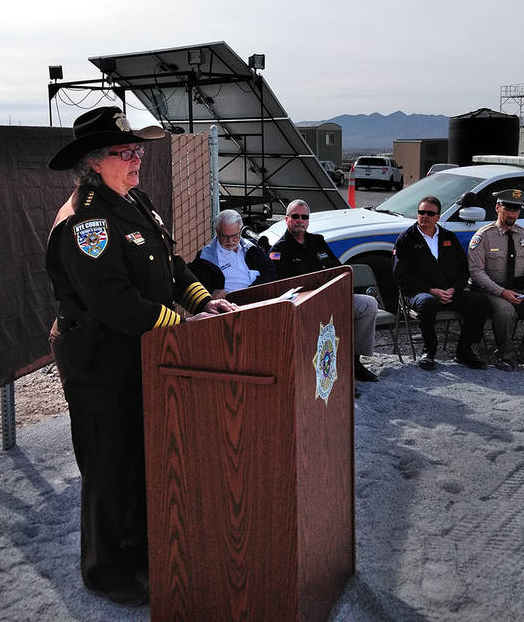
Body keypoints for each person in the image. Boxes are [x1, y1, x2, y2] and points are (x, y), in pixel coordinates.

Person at [45, 106, 237, 607]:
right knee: (109, 464)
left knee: (139, 455)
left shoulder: (135, 201)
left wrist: (201, 300)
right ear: (94, 161)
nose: (136, 160)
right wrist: (182, 327)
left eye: (137, 151)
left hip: (140, 351)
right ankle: (106, 572)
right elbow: (113, 302)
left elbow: (170, 264)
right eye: (125, 152)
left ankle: (140, 553)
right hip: (100, 361)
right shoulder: (86, 220)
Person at [268, 199, 379, 383]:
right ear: (286, 219)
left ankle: (354, 362)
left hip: (332, 296)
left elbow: (338, 269)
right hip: (305, 305)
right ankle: (332, 373)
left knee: (368, 304)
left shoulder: (317, 241)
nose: (300, 220)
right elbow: (279, 287)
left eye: (304, 217)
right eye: (295, 216)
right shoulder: (279, 250)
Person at [392, 195, 490, 370]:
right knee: (428, 302)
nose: (425, 216)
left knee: (480, 301)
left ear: (438, 217)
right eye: (421, 212)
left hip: (448, 292)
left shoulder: (449, 237)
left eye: (430, 213)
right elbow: (401, 276)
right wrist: (431, 290)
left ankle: (464, 351)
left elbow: (463, 270)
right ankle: (429, 351)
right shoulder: (406, 239)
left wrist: (454, 289)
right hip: (418, 293)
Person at [467, 188, 524, 370]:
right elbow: (476, 272)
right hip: (492, 291)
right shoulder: (483, 236)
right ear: (498, 208)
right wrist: (502, 292)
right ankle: (504, 354)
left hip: (521, 290)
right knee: (505, 312)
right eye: (508, 209)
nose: (512, 214)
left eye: (516, 210)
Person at [189, 209, 277, 296]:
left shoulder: (251, 247)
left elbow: (271, 271)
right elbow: (193, 283)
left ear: (240, 231)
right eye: (225, 236)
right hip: (229, 302)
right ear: (217, 232)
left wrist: (253, 290)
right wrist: (212, 292)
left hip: (257, 297)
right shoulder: (206, 257)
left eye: (234, 236)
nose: (230, 241)